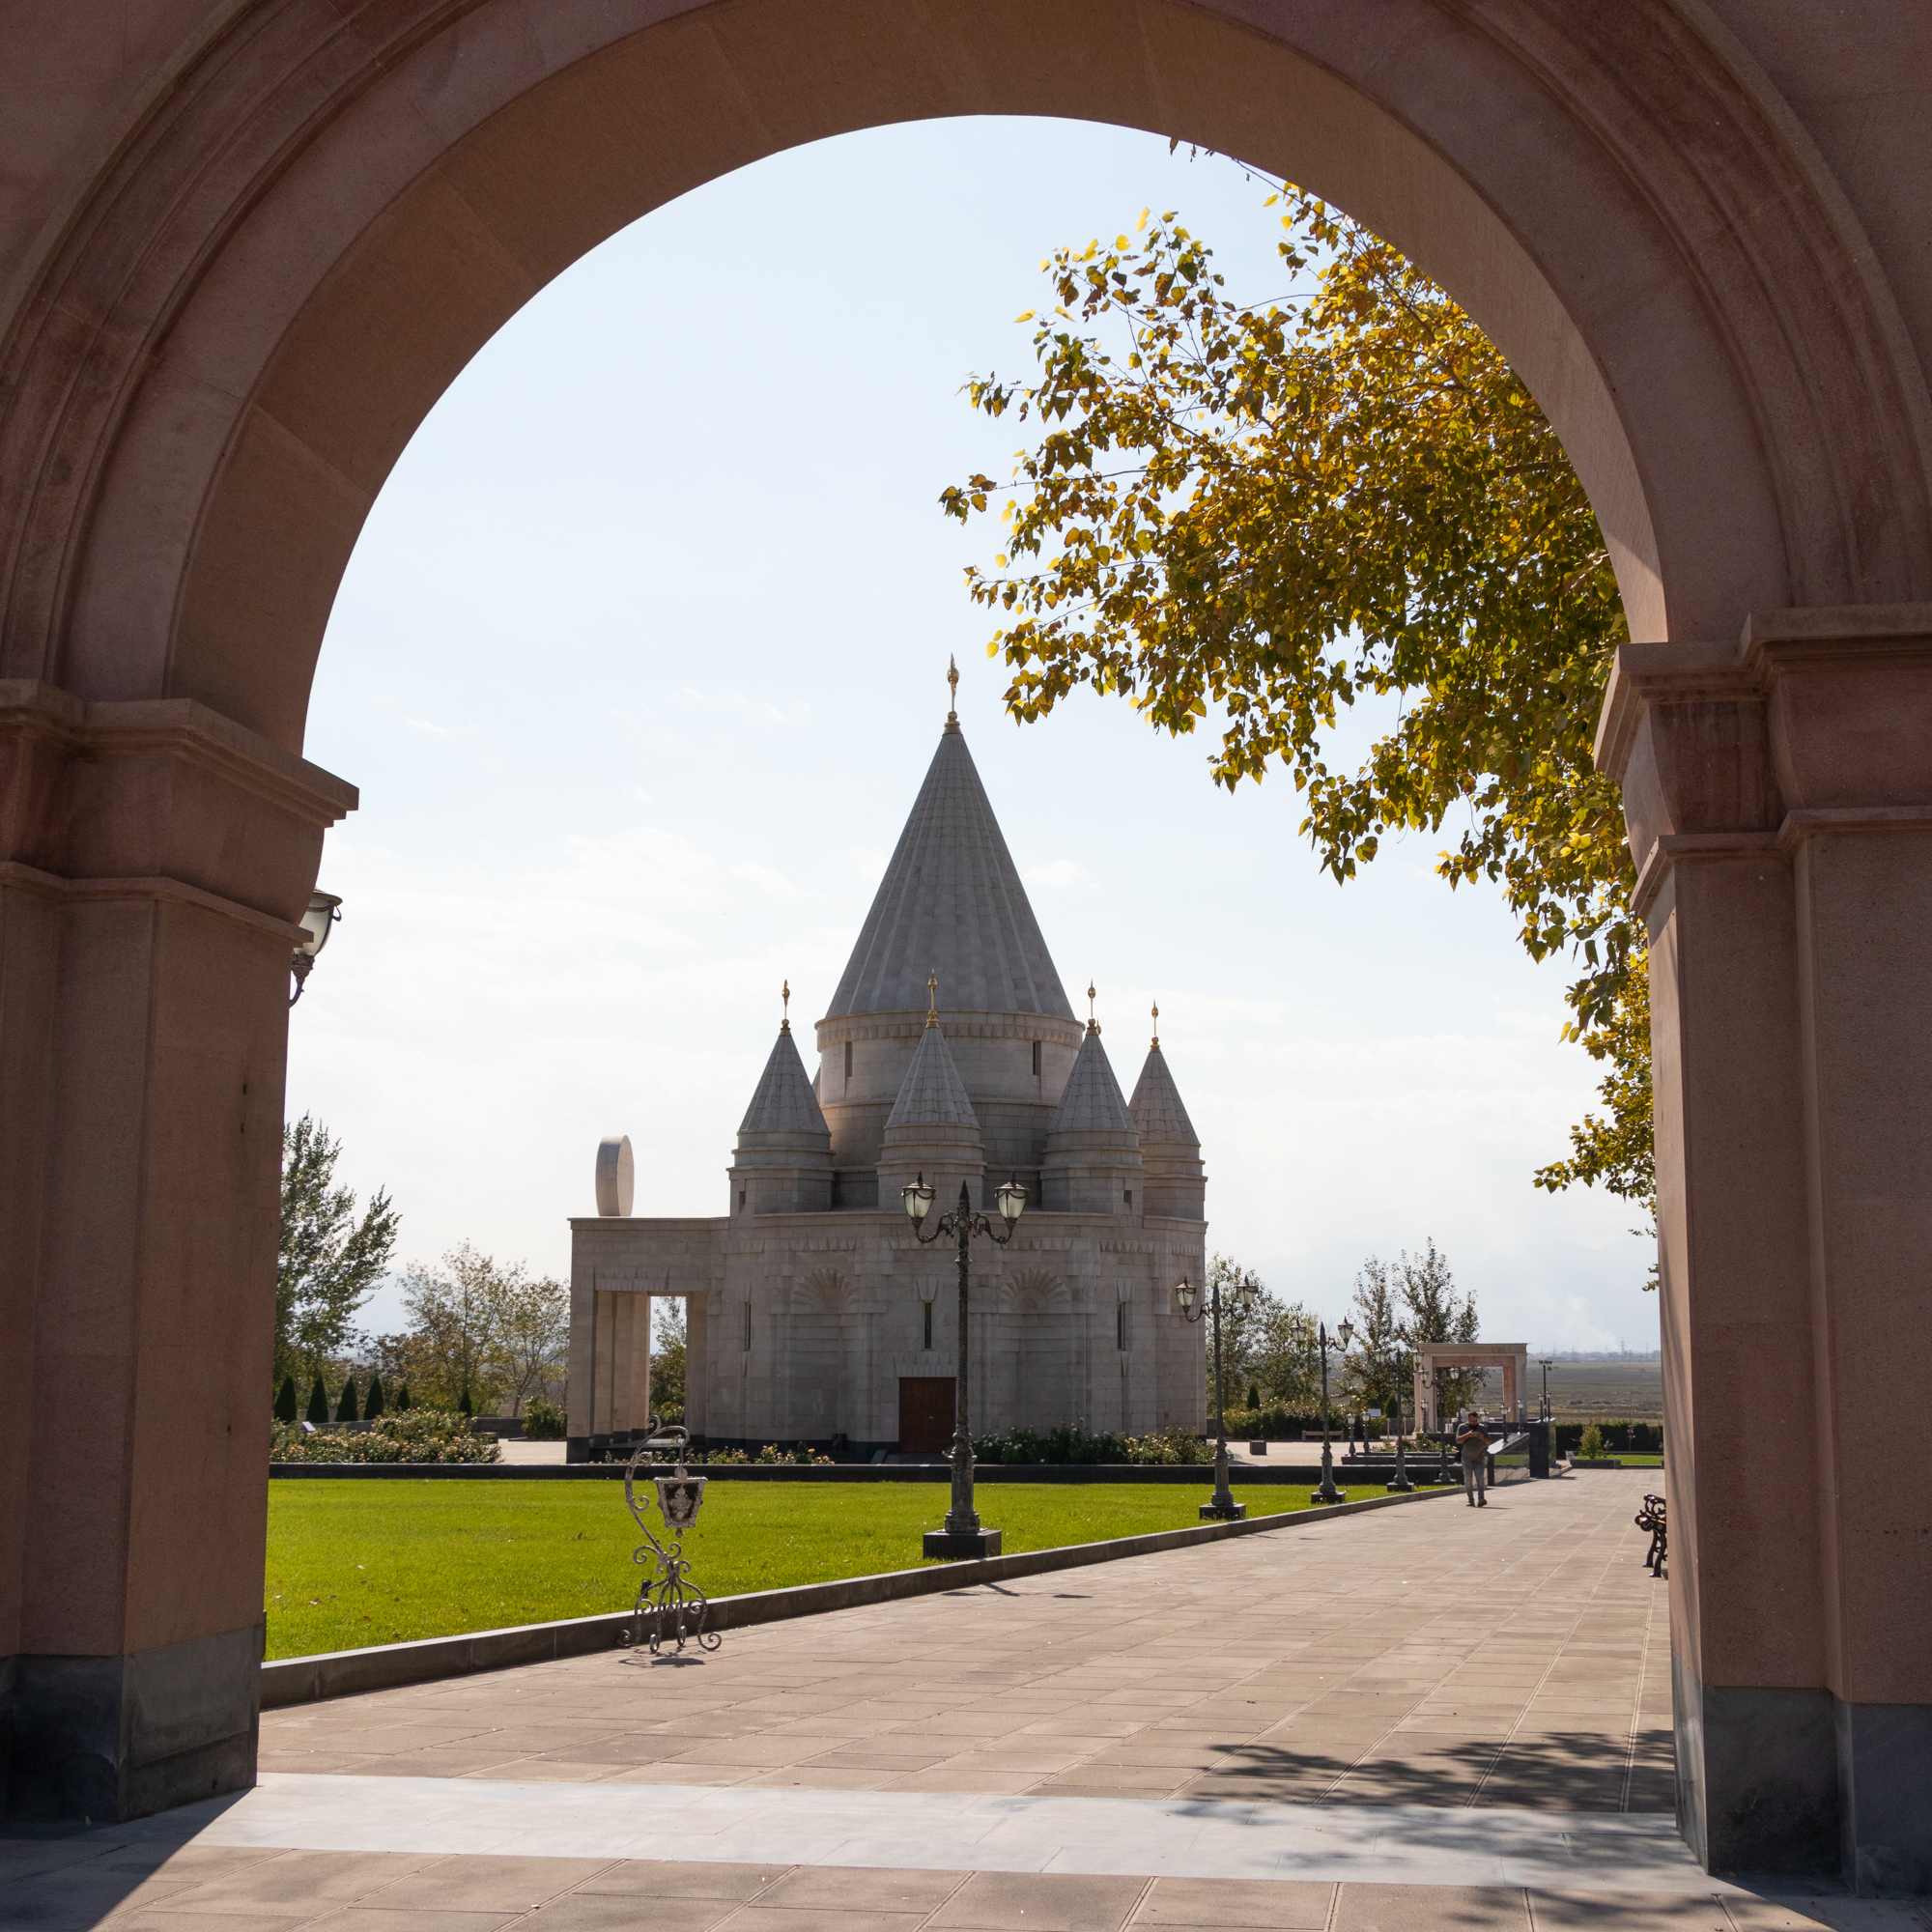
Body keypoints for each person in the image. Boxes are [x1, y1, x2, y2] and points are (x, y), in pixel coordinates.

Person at [1457, 1408, 1492, 1507]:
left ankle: (1481, 1499)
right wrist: (1467, 1435)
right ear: (1468, 1419)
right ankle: (1470, 1500)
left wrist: (1483, 1437)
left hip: (1479, 1458)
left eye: (1475, 1421)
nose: (1474, 1423)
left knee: (1480, 1478)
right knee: (1468, 1480)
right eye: (1472, 1421)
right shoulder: (1462, 1427)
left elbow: (1489, 1442)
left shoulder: (1482, 1428)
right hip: (1466, 1458)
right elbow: (1458, 1440)